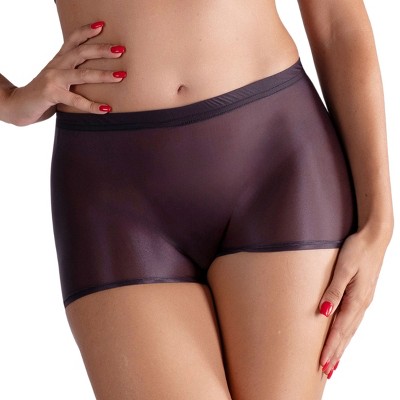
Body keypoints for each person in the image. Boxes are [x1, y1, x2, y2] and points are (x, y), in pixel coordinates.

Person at [0, 0, 393, 399]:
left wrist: (379, 223)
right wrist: (9, 100)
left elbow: (336, 23)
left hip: (275, 163)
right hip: (113, 193)